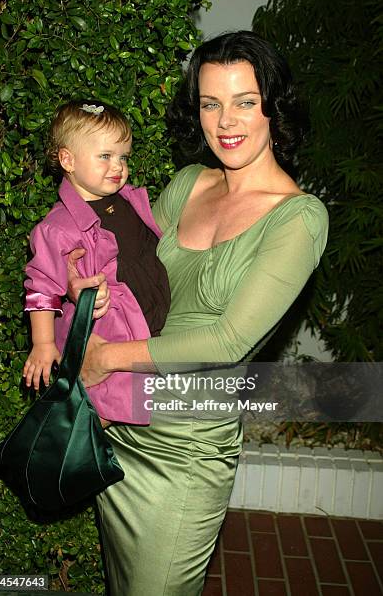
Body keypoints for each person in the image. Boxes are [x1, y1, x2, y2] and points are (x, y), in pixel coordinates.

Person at [68, 31, 329, 595]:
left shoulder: (298, 220)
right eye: (211, 102)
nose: (225, 121)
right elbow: (125, 273)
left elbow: (229, 340)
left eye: (245, 101)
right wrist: (73, 273)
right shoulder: (188, 183)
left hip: (185, 453)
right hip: (118, 425)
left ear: (273, 106)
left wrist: (106, 357)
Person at [22, 100, 170, 427]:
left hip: (148, 330)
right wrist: (43, 343)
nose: (117, 166)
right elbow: (42, 287)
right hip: (109, 334)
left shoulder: (127, 200)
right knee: (90, 421)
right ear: (68, 160)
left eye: (122, 157)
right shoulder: (59, 227)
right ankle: (55, 465)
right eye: (105, 156)